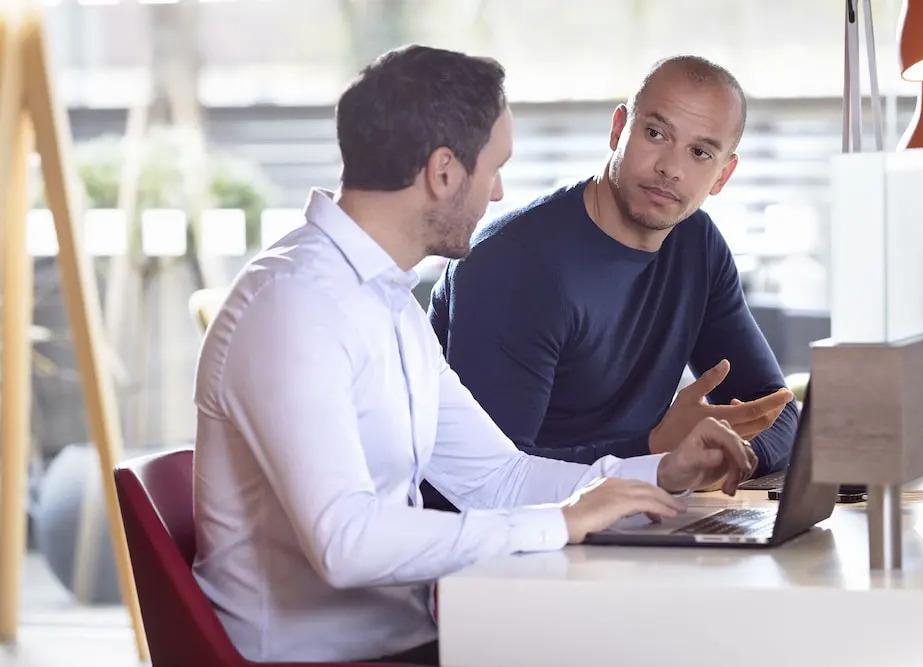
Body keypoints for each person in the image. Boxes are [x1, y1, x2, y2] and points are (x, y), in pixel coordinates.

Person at [191, 45, 755, 666]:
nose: (498, 193)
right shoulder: (292, 304)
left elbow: (496, 478)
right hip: (318, 657)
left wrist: (659, 473)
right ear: (443, 172)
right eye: (494, 168)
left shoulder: (388, 303)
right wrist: (557, 523)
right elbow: (344, 542)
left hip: (420, 637)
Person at [428, 55, 797, 492]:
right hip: (509, 529)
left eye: (700, 153)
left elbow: (777, 412)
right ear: (619, 129)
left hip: (634, 515)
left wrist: (726, 461)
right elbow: (486, 481)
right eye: (656, 134)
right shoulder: (513, 265)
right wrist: (657, 453)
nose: (671, 168)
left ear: (723, 175)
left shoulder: (696, 243)